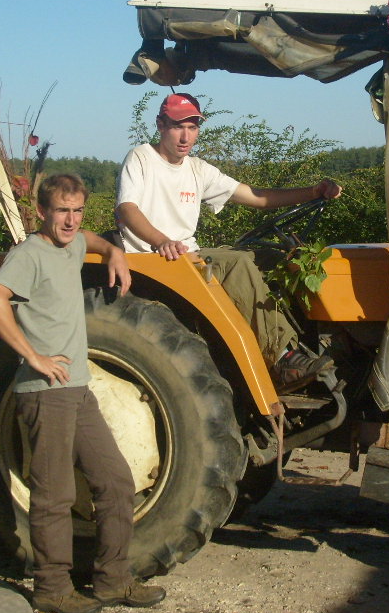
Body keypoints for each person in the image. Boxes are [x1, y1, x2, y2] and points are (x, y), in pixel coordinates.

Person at [0, 173, 165, 613]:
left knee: (116, 482)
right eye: (62, 210)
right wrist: (33, 357)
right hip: (45, 393)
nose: (70, 219)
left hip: (78, 391)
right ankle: (52, 589)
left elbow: (90, 239)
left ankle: (112, 580)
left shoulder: (74, 243)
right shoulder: (29, 254)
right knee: (54, 495)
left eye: (77, 210)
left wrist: (116, 251)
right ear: (42, 211)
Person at [115, 93, 342, 391]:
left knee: (273, 259)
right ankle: (283, 359)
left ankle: (300, 346)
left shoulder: (197, 169)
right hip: (152, 258)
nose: (186, 136)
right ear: (160, 125)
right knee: (237, 262)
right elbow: (126, 208)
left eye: (193, 127)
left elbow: (257, 197)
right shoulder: (142, 157)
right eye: (177, 126)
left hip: (186, 255)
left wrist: (313, 191)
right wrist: (161, 240)